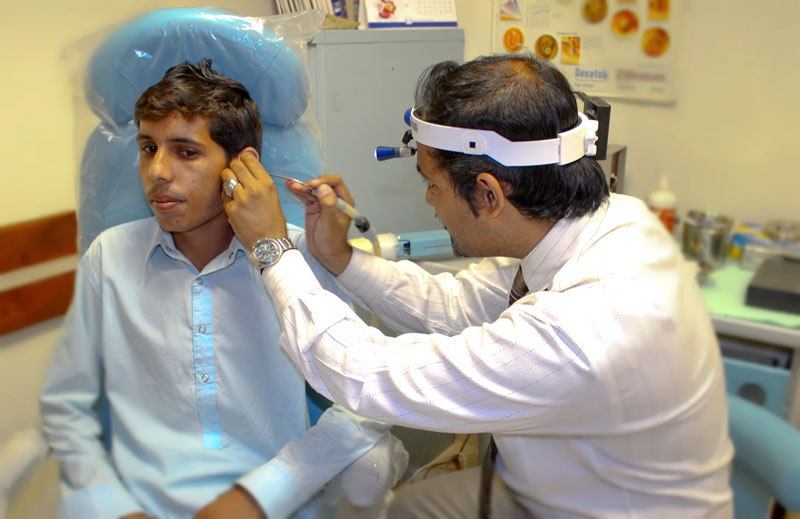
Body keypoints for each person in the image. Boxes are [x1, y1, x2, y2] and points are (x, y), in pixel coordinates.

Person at [221, 53, 734, 518]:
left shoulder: (582, 327)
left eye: (431, 184)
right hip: (560, 473)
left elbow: (362, 375)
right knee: (409, 510)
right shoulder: (603, 221)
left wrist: (271, 248)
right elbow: (451, 305)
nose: (429, 202)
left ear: (488, 194)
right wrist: (338, 259)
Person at [40, 59, 392, 519]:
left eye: (186, 152)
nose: (157, 172)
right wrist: (111, 505)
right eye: (148, 148)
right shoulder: (110, 259)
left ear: (241, 167)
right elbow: (68, 408)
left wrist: (266, 492)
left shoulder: (298, 261)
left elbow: (367, 406)